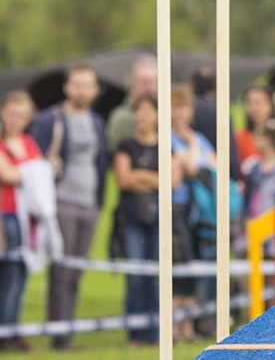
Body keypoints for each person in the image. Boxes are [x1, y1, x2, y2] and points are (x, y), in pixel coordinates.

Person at [29, 63, 108, 351]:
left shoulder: (97, 123)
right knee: (61, 270)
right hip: (61, 201)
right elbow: (35, 161)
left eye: (88, 85)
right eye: (77, 84)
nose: (82, 90)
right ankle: (60, 335)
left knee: (76, 271)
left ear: (96, 90)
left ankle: (68, 328)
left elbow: (101, 164)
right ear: (67, 87)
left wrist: (99, 200)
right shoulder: (50, 120)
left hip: (89, 204)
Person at [113, 94, 182, 347]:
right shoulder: (125, 145)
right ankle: (135, 334)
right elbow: (124, 180)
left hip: (159, 217)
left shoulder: (166, 145)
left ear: (156, 115)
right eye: (137, 111)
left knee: (157, 275)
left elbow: (173, 182)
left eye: (146, 110)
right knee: (135, 276)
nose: (141, 116)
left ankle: (155, 333)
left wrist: (139, 176)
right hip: (132, 217)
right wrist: (154, 177)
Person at [170, 83, 217, 342]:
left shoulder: (198, 138)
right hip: (176, 210)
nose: (179, 113)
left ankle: (188, 326)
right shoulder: (168, 138)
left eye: (183, 107)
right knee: (177, 268)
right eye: (175, 107)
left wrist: (191, 148)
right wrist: (190, 146)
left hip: (199, 213)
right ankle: (175, 327)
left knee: (192, 270)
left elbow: (215, 166)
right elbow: (190, 168)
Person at [0, 91, 42, 352]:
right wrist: (28, 168)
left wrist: (23, 168)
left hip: (27, 218)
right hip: (5, 216)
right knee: (7, 275)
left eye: (21, 115)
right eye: (11, 114)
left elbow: (36, 176)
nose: (15, 120)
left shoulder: (28, 143)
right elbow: (11, 176)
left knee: (20, 276)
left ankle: (13, 329)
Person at [190, 66, 240, 180]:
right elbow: (230, 149)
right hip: (220, 174)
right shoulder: (220, 110)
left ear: (192, 86)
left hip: (196, 175)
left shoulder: (189, 109)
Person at [106, 55, 158, 154]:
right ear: (132, 83)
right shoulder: (121, 117)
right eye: (144, 82)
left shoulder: (167, 113)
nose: (150, 88)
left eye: (153, 82)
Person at [235, 85, 275, 165]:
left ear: (270, 105)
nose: (254, 108)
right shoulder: (239, 137)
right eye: (249, 103)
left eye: (258, 102)